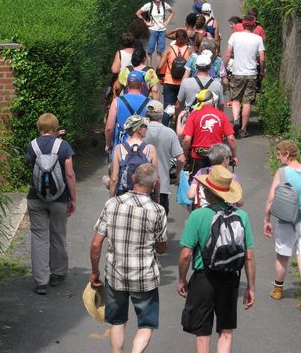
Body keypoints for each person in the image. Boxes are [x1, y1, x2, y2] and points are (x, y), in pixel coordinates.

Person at [90, 163, 167, 353]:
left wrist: (95, 271)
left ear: (133, 178)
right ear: (154, 184)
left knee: (117, 321)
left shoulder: (112, 204)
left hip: (116, 275)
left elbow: (96, 243)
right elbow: (162, 247)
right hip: (144, 277)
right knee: (146, 324)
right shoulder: (157, 211)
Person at [178, 165, 255, 353]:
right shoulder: (242, 216)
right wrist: (251, 287)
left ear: (207, 191)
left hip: (203, 277)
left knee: (203, 332)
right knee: (226, 330)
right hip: (230, 278)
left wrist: (182, 279)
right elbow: (249, 257)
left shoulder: (197, 216)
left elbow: (186, 254)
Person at [26, 113, 77, 295]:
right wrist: (73, 198)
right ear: (56, 128)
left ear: (39, 127)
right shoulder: (63, 146)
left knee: (39, 238)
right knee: (58, 234)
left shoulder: (32, 146)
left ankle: (41, 281)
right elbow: (69, 174)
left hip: (36, 197)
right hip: (59, 198)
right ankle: (58, 273)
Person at [263, 139, 301, 312]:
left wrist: (266, 220)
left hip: (286, 221)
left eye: (279, 154)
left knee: (282, 256)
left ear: (287, 154)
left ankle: (278, 290)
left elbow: (271, 198)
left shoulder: (282, 172)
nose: (278, 158)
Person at [223, 15, 265, 138]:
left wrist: (223, 68)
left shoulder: (235, 36)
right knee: (247, 101)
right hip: (251, 74)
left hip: (237, 73)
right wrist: (261, 72)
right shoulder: (258, 39)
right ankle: (243, 129)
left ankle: (236, 119)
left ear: (243, 25)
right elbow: (262, 58)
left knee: (236, 99)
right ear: (253, 25)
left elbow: (227, 54)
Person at [143, 100, 185, 216]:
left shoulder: (141, 131)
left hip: (142, 183)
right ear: (162, 114)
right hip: (162, 184)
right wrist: (177, 174)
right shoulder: (169, 132)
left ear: (147, 114)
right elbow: (181, 158)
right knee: (160, 220)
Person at [182, 89, 237, 175]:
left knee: (197, 183)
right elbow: (231, 139)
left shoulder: (193, 115)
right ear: (212, 101)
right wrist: (234, 156)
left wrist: (185, 155)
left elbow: (186, 140)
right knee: (217, 183)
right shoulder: (221, 115)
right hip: (217, 156)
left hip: (198, 156)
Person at [109, 115, 159, 200]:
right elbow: (156, 177)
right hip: (145, 196)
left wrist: (111, 199)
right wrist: (157, 198)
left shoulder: (119, 148)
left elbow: (114, 179)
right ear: (138, 129)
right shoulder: (150, 149)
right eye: (145, 126)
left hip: (123, 195)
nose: (146, 128)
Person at [105, 70, 151, 156]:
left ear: (127, 83)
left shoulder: (117, 102)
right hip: (143, 150)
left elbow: (109, 128)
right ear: (142, 84)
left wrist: (108, 145)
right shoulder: (150, 103)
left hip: (122, 149)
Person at [187, 143, 241, 210]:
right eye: (229, 157)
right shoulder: (231, 177)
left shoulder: (201, 172)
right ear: (225, 158)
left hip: (205, 211)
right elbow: (239, 202)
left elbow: (191, 195)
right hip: (224, 214)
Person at [157, 28, 192, 123]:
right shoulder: (189, 51)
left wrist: (160, 77)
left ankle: (164, 128)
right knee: (183, 108)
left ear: (175, 39)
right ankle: (180, 128)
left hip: (169, 82)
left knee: (167, 108)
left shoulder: (169, 49)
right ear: (186, 39)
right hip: (184, 84)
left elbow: (159, 66)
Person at [136, 0, 174, 64]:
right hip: (152, 30)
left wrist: (167, 21)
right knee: (150, 51)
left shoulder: (164, 4)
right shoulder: (149, 5)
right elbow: (138, 13)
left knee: (160, 51)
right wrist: (146, 23)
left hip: (162, 31)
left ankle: (158, 71)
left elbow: (172, 12)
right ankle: (149, 69)